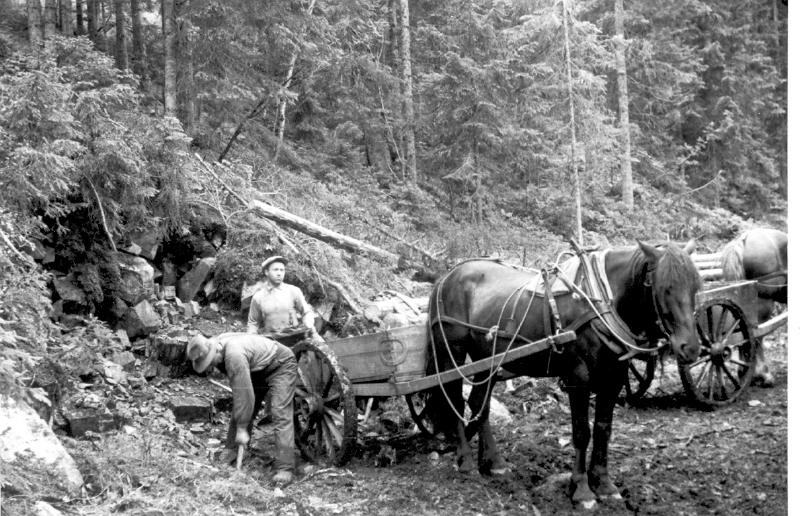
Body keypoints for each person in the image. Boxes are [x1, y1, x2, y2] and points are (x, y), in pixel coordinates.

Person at [186, 332, 297, 484]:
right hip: (256, 368)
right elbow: (241, 396)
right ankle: (232, 450)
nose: (212, 367)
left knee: (280, 412)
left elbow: (244, 396)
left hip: (280, 364)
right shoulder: (222, 349)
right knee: (241, 404)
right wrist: (241, 425)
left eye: (210, 362)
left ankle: (285, 467)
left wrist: (242, 428)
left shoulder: (234, 355)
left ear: (215, 351)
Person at [247, 255, 323, 343]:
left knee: (322, 346)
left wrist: (308, 324)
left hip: (295, 336)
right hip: (271, 340)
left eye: (282, 270)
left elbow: (306, 312)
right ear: (266, 272)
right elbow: (253, 322)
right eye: (275, 270)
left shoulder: (293, 291)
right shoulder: (258, 297)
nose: (279, 273)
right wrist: (252, 339)